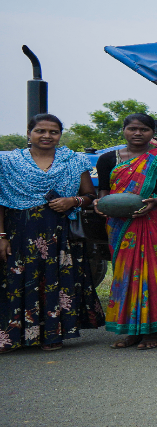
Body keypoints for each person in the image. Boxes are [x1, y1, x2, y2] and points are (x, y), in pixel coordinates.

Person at [0, 114, 104, 353]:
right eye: (40, 131)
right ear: (29, 133)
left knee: (55, 281)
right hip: (19, 233)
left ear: (59, 135)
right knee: (15, 282)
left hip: (60, 234)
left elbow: (89, 196)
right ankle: (11, 336)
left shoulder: (73, 161)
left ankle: (52, 334)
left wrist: (72, 201)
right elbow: (1, 201)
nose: (47, 136)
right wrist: (1, 236)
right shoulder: (8, 162)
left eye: (53, 132)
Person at [94, 113, 157, 350]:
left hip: (153, 220)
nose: (137, 133)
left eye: (144, 129)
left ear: (153, 133)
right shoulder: (107, 159)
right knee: (124, 274)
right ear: (124, 130)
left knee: (153, 275)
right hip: (119, 224)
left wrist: (156, 201)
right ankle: (130, 331)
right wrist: (101, 203)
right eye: (132, 128)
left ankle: (152, 331)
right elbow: (104, 189)